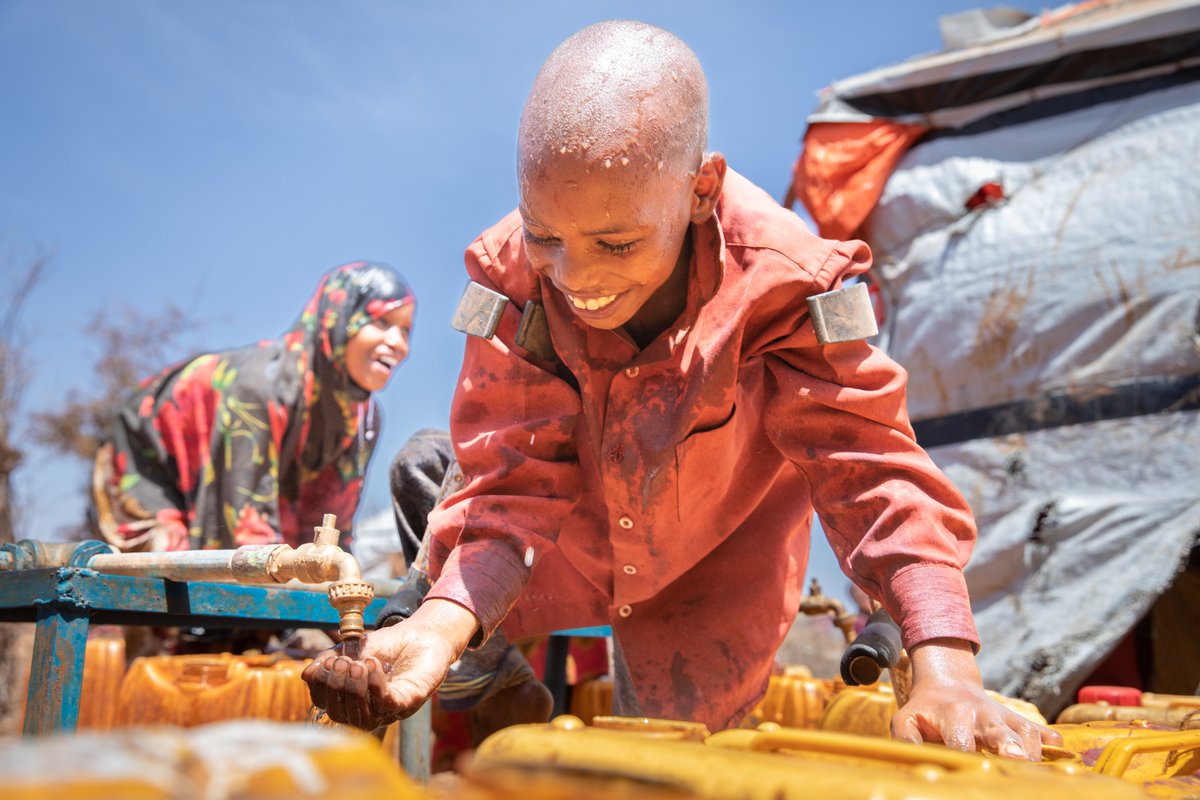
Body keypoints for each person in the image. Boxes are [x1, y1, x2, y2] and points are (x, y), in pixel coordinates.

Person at [303, 22, 1060, 759]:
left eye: (617, 243)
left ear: (701, 190)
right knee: (434, 479)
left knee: (676, 770)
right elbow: (510, 480)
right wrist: (441, 623)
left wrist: (946, 661)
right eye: (546, 237)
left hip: (719, 559)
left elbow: (868, 467)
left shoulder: (788, 283)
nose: (576, 279)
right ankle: (489, 679)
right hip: (570, 531)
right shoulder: (510, 282)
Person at [92, 261, 415, 553]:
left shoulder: (363, 419)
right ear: (339, 318)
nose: (398, 344)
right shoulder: (260, 387)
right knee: (169, 574)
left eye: (406, 330)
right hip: (149, 466)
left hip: (231, 486)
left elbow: (331, 528)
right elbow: (240, 529)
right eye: (382, 321)